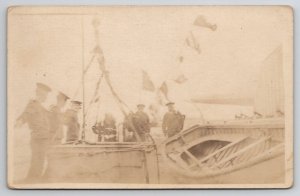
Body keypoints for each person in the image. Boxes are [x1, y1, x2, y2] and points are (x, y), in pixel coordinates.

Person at [15, 82, 52, 181]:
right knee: (37, 159)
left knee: (40, 159)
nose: (46, 97)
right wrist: (20, 121)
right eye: (45, 95)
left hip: (43, 137)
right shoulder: (33, 104)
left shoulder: (42, 107)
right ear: (40, 94)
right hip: (37, 137)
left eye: (46, 95)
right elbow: (26, 114)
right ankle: (32, 179)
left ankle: (35, 179)